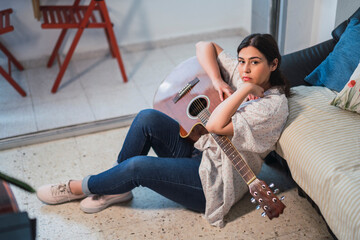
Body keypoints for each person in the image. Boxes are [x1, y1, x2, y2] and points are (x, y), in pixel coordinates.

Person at [36, 33, 290, 227]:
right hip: (200, 151)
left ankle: (77, 187)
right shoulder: (246, 74)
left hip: (212, 182)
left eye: (254, 63)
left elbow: (215, 125)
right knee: (147, 118)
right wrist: (217, 80)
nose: (244, 70)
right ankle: (118, 187)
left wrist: (245, 90)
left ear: (273, 64)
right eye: (242, 61)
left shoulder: (271, 107)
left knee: (138, 167)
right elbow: (204, 46)